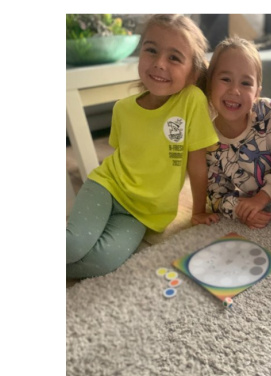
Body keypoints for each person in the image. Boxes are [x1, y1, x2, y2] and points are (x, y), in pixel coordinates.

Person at [66, 14, 219, 279]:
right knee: (73, 246)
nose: (159, 63)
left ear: (193, 73)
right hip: (106, 187)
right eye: (151, 50)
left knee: (102, 263)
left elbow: (197, 164)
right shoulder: (122, 109)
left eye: (174, 57)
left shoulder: (191, 101)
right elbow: (122, 157)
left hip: (142, 213)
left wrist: (198, 211)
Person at [205, 37, 271, 229]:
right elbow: (217, 196)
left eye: (245, 83)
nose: (234, 90)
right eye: (225, 79)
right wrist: (241, 210)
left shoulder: (269, 113)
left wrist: (262, 198)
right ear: (210, 84)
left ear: (257, 92)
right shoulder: (209, 142)